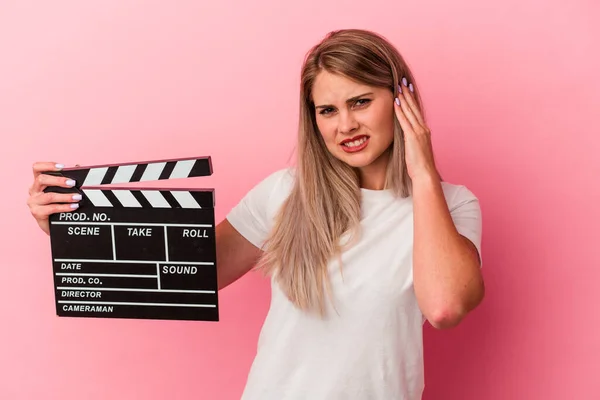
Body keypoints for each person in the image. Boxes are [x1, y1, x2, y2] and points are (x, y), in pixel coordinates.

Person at [27, 29, 484, 400]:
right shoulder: (285, 194)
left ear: (400, 99)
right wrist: (71, 229)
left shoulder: (453, 206)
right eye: (327, 110)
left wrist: (422, 173)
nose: (345, 125)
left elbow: (444, 307)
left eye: (360, 102)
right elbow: (193, 272)